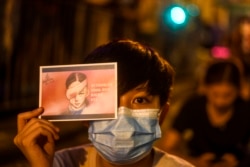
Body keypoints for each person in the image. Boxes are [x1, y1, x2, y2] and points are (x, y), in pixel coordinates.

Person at [13, 39, 194, 167]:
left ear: (162, 114)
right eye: (109, 99)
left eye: (140, 100)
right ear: (84, 115)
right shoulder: (60, 164)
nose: (122, 114)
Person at [160, 60, 250, 167]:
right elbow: (166, 147)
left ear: (237, 90)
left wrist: (238, 163)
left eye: (227, 96)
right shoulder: (194, 107)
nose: (220, 102)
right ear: (206, 88)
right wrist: (195, 162)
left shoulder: (245, 110)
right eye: (215, 95)